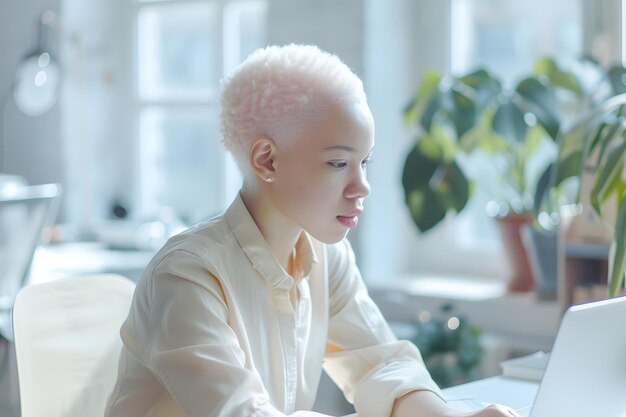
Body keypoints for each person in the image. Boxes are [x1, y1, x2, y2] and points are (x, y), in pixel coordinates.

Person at [105, 44, 519, 417]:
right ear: (266, 160)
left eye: (365, 162)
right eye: (339, 164)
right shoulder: (186, 276)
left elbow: (382, 364)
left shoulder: (327, 254)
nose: (362, 187)